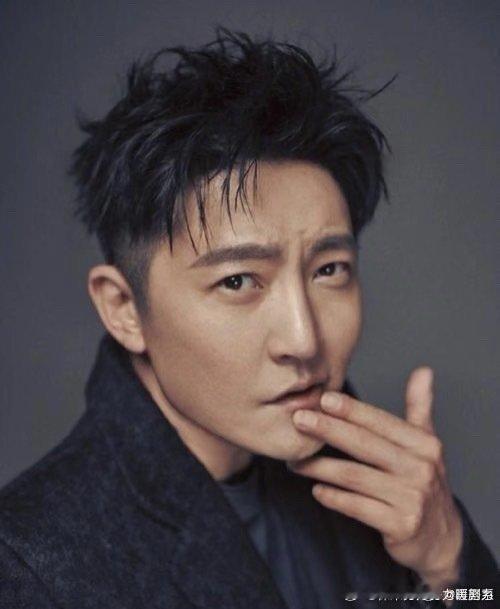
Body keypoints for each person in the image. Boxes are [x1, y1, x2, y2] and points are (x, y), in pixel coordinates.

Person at [0, 29, 497, 609]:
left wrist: (449, 562)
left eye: (329, 270)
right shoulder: (28, 566)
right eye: (237, 281)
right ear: (124, 308)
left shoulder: (386, 491)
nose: (304, 340)